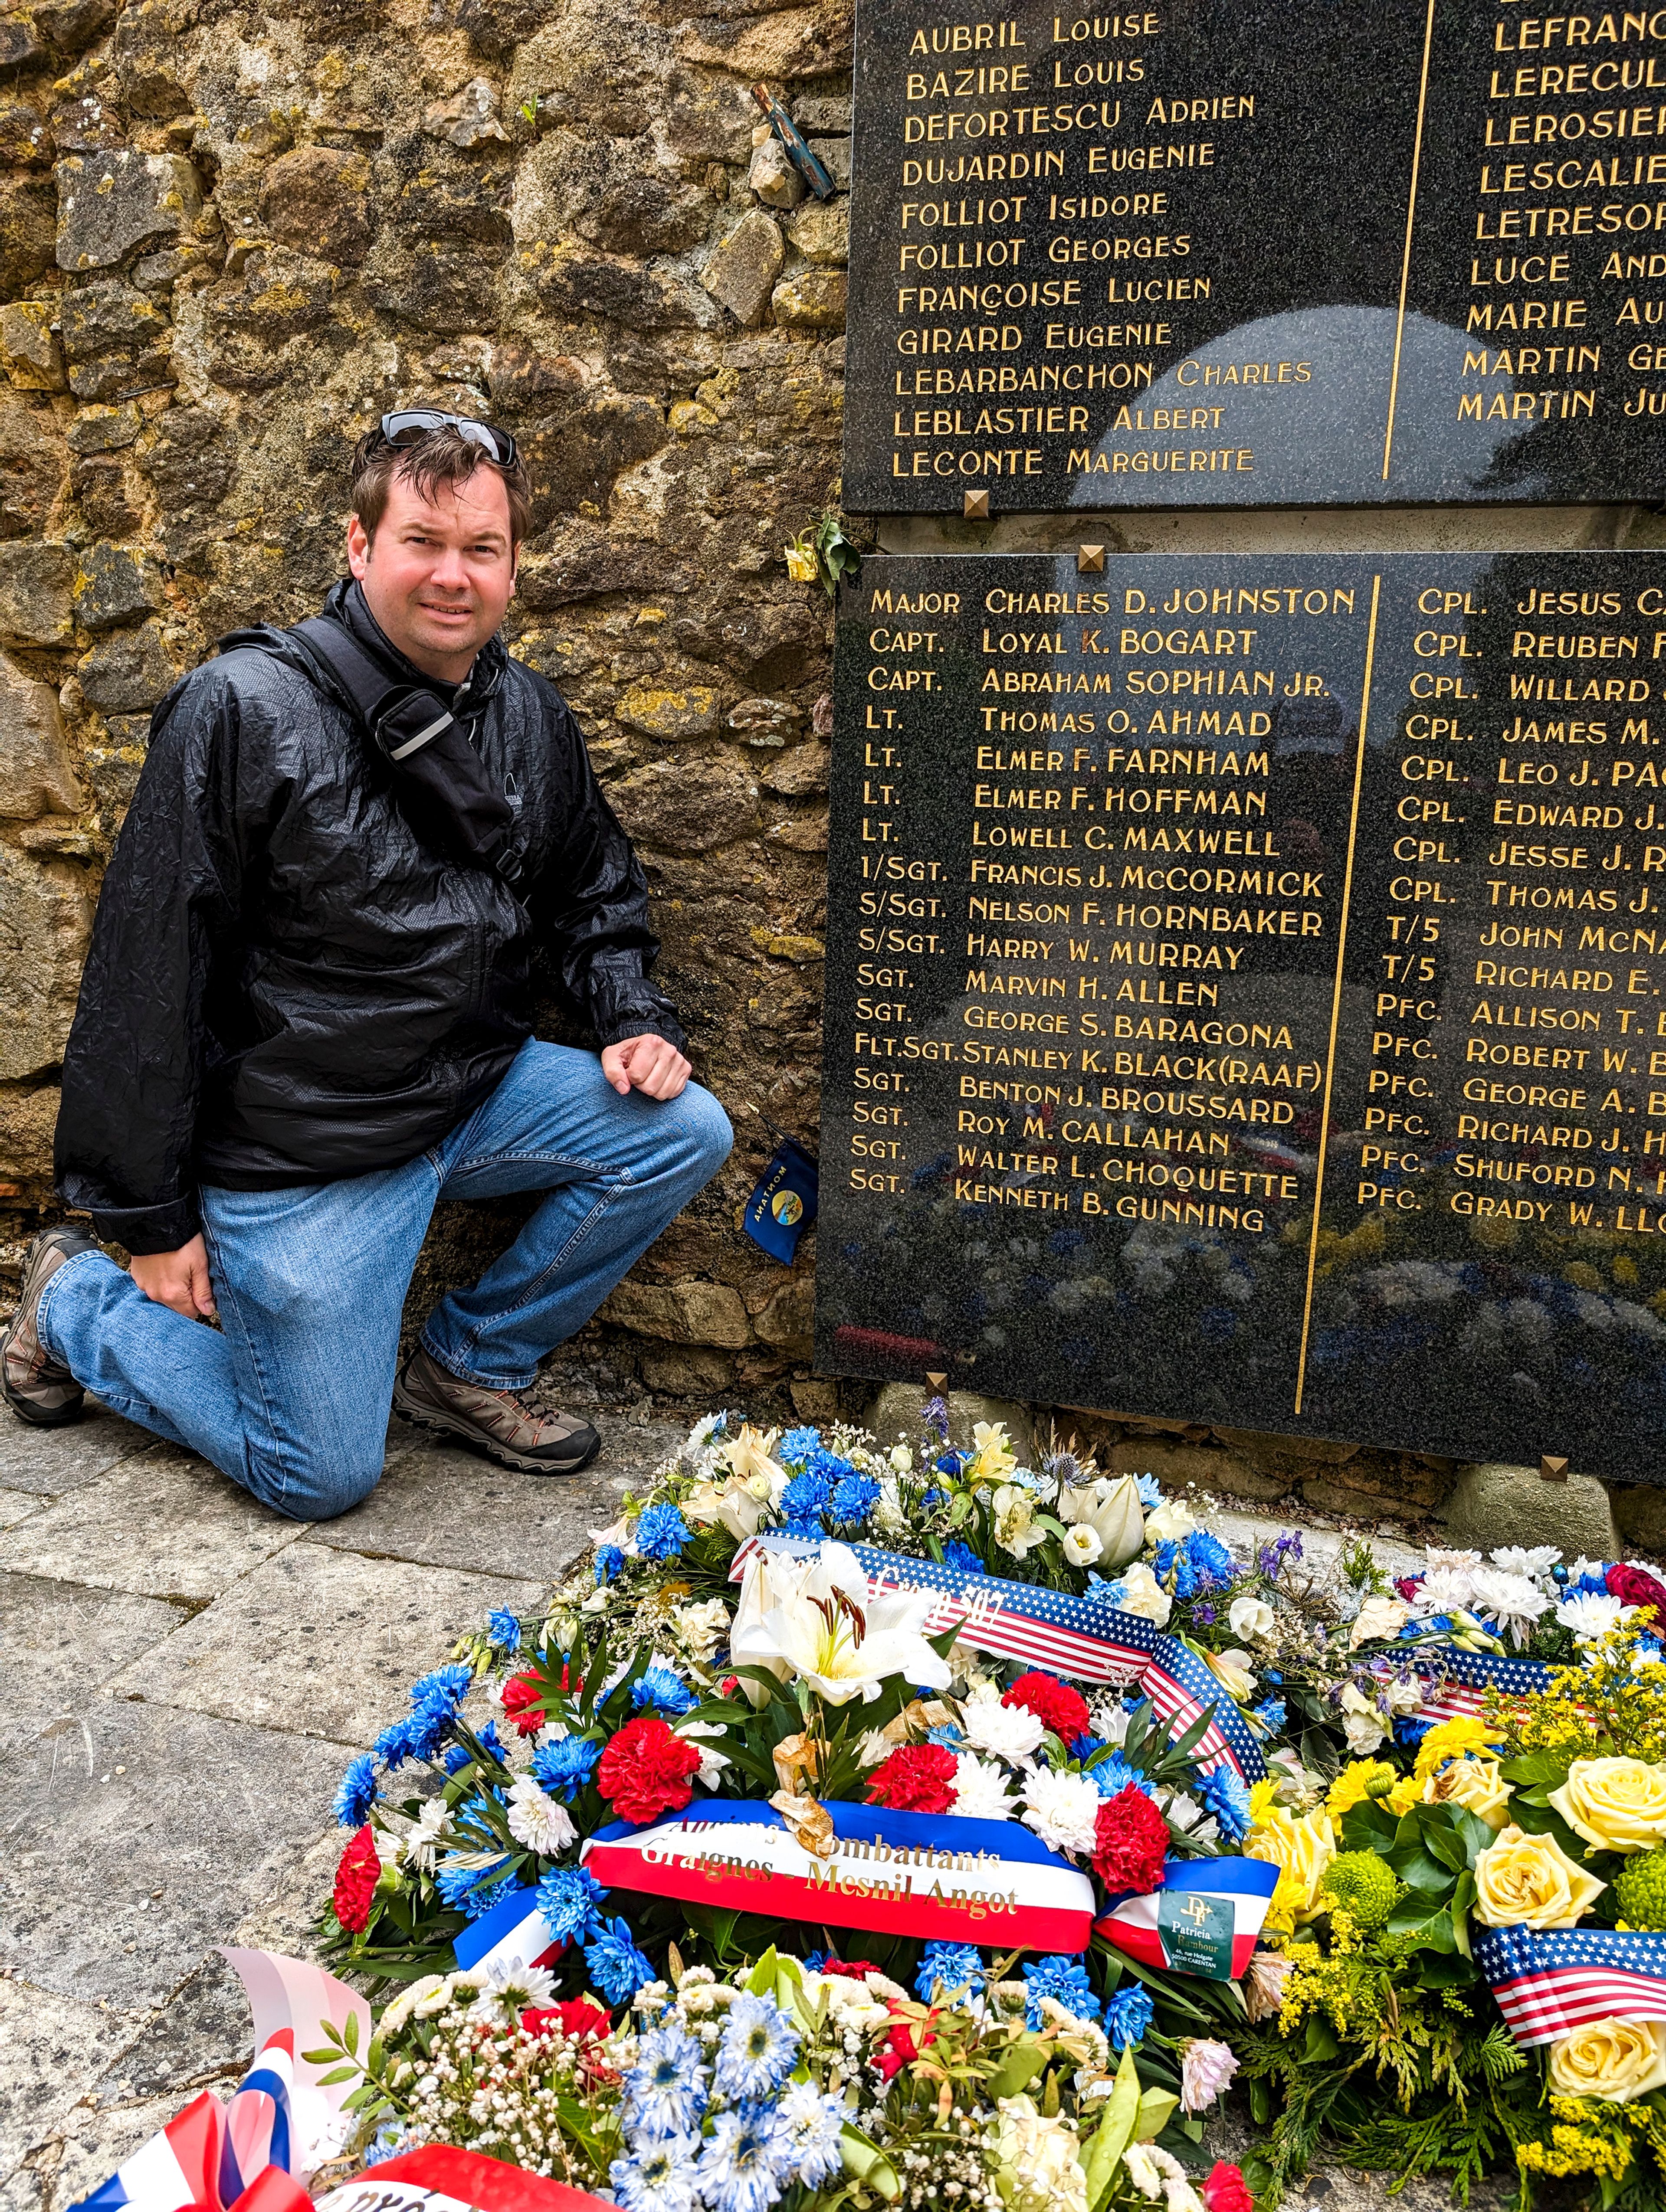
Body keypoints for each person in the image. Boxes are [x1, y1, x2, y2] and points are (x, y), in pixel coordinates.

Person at [0, 409, 732, 1517]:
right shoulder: (242, 709)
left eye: (480, 550)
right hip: (304, 1146)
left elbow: (594, 890)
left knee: (682, 1132)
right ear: (359, 545)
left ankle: (469, 1361)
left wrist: (630, 1011)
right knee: (319, 1475)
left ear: (514, 566)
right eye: (422, 544)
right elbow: (147, 972)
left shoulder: (529, 716)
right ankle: (74, 1307)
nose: (453, 577)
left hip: (469, 1092)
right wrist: (148, 1221)